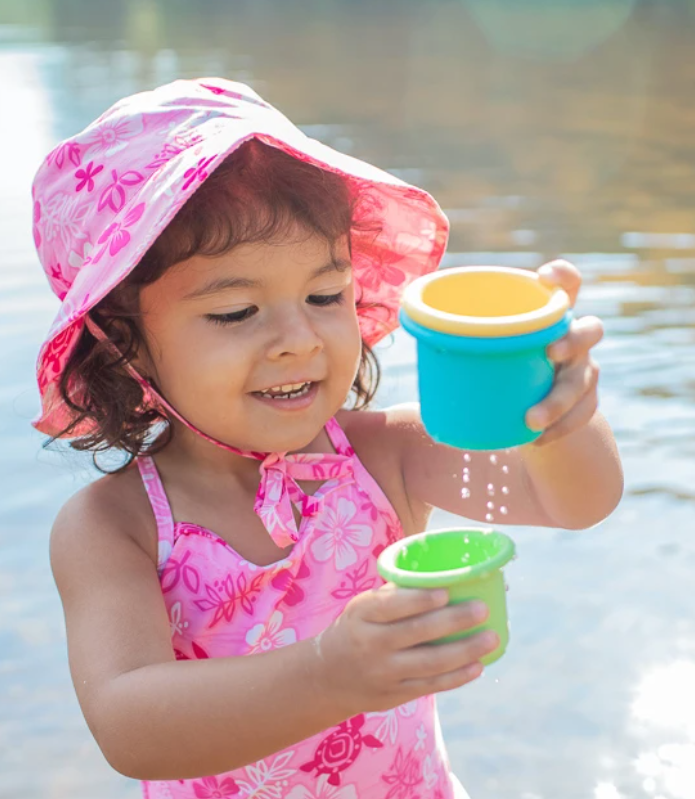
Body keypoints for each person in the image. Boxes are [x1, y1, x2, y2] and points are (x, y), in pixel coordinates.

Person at [31, 78, 623, 799]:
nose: (299, 339)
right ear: (126, 344)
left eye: (323, 295)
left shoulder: (385, 459)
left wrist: (557, 417)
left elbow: (572, 501)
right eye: (238, 310)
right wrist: (328, 674)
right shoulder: (115, 527)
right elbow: (129, 725)